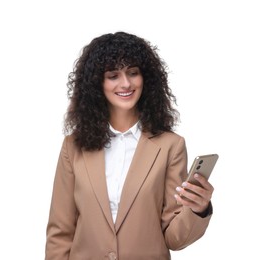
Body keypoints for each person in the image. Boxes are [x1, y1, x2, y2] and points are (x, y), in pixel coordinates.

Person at [45, 31, 214, 260]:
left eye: (133, 73)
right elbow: (60, 232)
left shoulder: (170, 146)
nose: (126, 83)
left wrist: (198, 209)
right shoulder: (73, 146)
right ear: (97, 82)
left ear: (146, 78)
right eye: (113, 75)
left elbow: (174, 238)